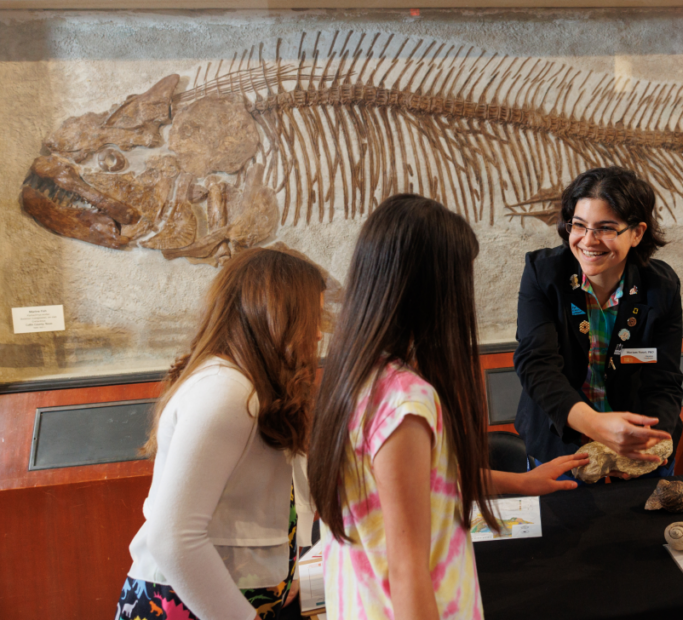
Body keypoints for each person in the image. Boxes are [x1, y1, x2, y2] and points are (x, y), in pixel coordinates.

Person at [307, 194, 587, 620]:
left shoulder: (354, 377)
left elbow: (411, 486)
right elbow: (407, 569)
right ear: (433, 290)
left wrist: (521, 483)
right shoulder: (406, 399)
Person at [117, 248, 326, 620]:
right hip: (196, 602)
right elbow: (174, 538)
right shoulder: (225, 392)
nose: (318, 332)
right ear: (278, 315)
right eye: (314, 317)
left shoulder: (248, 385)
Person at [513, 167, 683, 478]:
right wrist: (597, 428)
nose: (588, 240)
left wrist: (648, 445)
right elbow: (537, 366)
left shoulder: (662, 287)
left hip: (637, 448)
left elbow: (663, 380)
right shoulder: (543, 275)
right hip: (560, 446)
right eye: (578, 225)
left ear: (637, 233)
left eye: (605, 228)